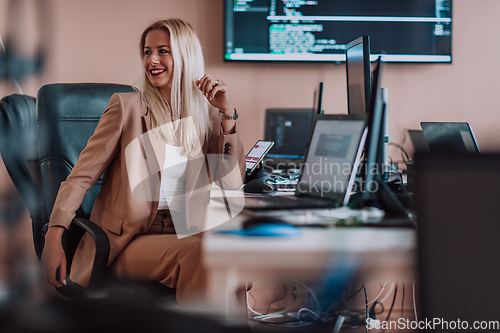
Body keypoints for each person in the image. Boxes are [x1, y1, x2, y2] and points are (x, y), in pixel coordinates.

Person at [40, 18, 245, 305]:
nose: (153, 60)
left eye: (163, 51)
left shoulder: (206, 117)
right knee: (199, 255)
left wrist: (227, 114)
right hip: (126, 243)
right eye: (148, 52)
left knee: (228, 251)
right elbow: (81, 177)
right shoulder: (127, 108)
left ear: (186, 56)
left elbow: (230, 184)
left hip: (182, 233)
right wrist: (54, 235)